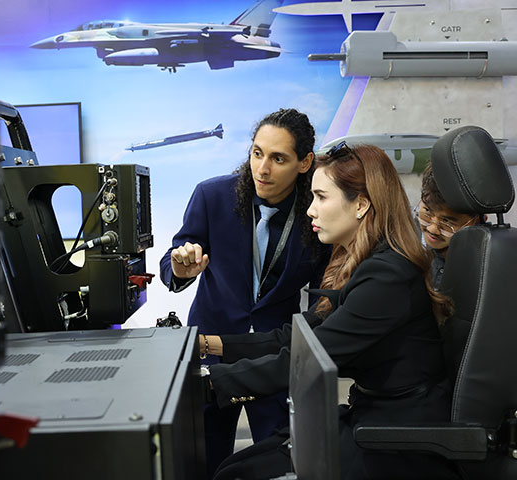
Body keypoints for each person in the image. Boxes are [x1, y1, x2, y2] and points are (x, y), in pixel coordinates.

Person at [205, 143, 459, 480]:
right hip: (374, 419)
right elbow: (300, 337)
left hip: (399, 438)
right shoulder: (365, 263)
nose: (310, 211)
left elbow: (308, 360)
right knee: (233, 467)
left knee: (237, 474)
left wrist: (209, 383)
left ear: (361, 205)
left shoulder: (388, 277)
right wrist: (209, 345)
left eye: (321, 197)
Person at [159, 109, 330, 476]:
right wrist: (179, 269)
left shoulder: (317, 213)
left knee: (280, 460)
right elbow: (172, 262)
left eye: (278, 158)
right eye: (257, 153)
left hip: (274, 356)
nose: (262, 169)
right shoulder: (212, 195)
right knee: (203, 461)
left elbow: (322, 296)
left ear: (305, 163)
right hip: (210, 349)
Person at [415, 164, 482, 290]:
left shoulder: (485, 262)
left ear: (475, 221)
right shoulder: (400, 236)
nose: (432, 229)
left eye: (447, 222)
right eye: (427, 212)